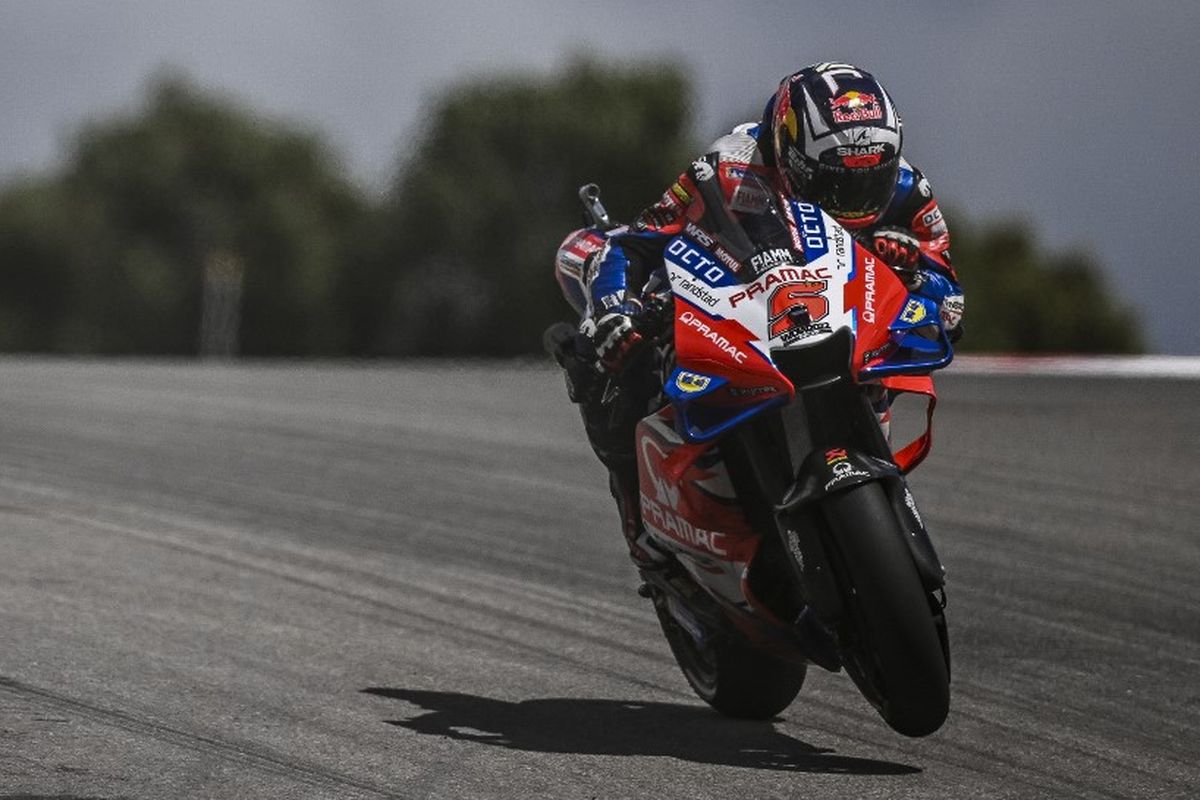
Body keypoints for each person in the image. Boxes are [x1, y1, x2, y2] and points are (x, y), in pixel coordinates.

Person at [553, 62, 964, 569]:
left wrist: (920, 279)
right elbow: (635, 243)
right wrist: (617, 309)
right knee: (621, 365)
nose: (854, 201)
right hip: (741, 305)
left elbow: (944, 275)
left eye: (869, 182)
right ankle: (643, 531)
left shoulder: (903, 182)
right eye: (835, 185)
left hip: (840, 314)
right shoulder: (727, 167)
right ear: (793, 155)